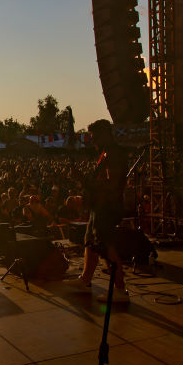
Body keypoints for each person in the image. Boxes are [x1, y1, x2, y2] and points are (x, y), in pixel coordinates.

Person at [65, 119, 129, 302]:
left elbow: (111, 185)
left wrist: (83, 179)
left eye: (95, 137)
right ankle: (85, 280)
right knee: (90, 241)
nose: (93, 140)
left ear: (105, 134)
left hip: (108, 206)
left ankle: (120, 289)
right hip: (99, 205)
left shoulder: (114, 154)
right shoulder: (106, 153)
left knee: (104, 244)